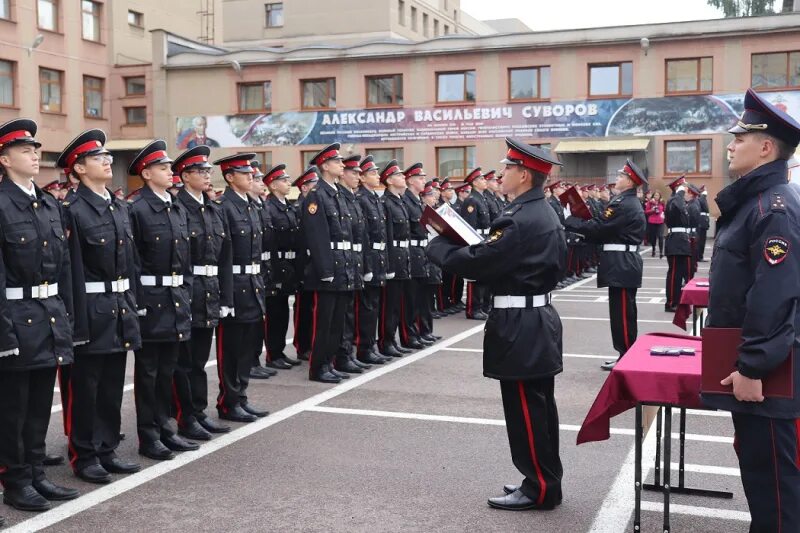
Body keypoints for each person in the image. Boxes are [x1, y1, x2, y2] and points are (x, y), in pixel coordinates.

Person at [427, 138, 566, 511]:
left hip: (520, 323)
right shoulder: (542, 211)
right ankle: (545, 481)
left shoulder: (520, 217)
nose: (501, 174)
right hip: (537, 317)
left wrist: (437, 246)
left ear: (523, 174)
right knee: (539, 407)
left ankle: (538, 487)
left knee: (526, 411)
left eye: (507, 168)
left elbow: (482, 261)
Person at [701, 88, 800, 533]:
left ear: (765, 147)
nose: (730, 144)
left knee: (777, 493)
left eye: (739, 139)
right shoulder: (757, 202)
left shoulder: (773, 207)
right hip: (756, 364)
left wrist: (753, 366)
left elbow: (775, 294)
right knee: (764, 483)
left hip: (768, 375)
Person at [0, 119, 81, 512]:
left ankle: (35, 472)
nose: (35, 154)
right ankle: (15, 480)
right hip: (15, 317)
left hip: (48, 315)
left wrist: (66, 316)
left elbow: (63, 268)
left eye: (36, 149)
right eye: (25, 150)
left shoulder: (49, 204)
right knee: (13, 408)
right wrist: (3, 334)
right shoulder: (1, 204)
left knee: (37, 404)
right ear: (4, 159)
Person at [58, 129, 143, 483]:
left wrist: (134, 305)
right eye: (98, 158)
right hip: (90, 308)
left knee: (110, 385)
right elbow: (70, 270)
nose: (108, 162)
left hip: (119, 306)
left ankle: (106, 448)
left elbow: (131, 262)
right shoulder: (72, 211)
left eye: (108, 157)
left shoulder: (118, 206)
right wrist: (75, 322)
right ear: (78, 169)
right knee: (85, 386)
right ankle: (84, 454)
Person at [128, 140, 198, 460]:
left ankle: (165, 427)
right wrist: (138, 304)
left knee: (168, 369)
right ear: (146, 173)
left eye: (170, 167)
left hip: (175, 297)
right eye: (163, 168)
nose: (171, 172)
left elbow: (184, 258)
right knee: (148, 373)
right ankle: (149, 434)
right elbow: (132, 262)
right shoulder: (137, 208)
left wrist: (186, 291)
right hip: (151, 300)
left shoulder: (175, 205)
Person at [171, 145, 234, 441]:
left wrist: (225, 297)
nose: (208, 176)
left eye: (208, 171)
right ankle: (186, 417)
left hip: (208, 290)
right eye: (201, 171)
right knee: (184, 362)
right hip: (187, 289)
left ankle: (198, 412)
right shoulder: (178, 208)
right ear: (184, 176)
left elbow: (224, 257)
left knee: (198, 359)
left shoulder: (211, 208)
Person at [565, 161, 647, 371]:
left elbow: (600, 227)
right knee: (623, 312)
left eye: (620, 176)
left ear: (629, 181)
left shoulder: (622, 203)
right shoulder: (626, 202)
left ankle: (626, 355)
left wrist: (571, 221)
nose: (617, 179)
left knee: (622, 313)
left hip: (621, 264)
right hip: (623, 264)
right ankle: (624, 353)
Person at [212, 153, 270, 420]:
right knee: (232, 348)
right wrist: (225, 295)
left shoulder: (251, 205)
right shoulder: (223, 207)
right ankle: (229, 401)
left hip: (253, 283)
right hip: (234, 285)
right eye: (244, 173)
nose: (251, 176)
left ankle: (241, 396)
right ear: (230, 177)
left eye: (251, 173)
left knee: (248, 347)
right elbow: (222, 255)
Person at [301, 143, 357, 383]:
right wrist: (325, 270)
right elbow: (316, 236)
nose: (342, 165)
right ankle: (318, 367)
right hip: (328, 269)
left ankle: (329, 362)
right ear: (324, 165)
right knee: (323, 323)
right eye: (337, 162)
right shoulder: (317, 195)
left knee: (337, 321)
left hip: (342, 265)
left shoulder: (337, 194)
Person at [263, 164, 303, 369]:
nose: (289, 183)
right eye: (284, 181)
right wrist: (275, 270)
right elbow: (269, 241)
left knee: (283, 312)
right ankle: (273, 353)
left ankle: (279, 352)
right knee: (274, 312)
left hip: (289, 264)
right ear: (273, 185)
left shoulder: (287, 206)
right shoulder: (268, 207)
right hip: (276, 264)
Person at [334, 155, 371, 374]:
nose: (358, 176)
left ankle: (347, 354)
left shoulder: (353, 199)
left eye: (359, 173)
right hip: (344, 261)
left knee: (349, 312)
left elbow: (361, 236)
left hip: (354, 260)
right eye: (354, 172)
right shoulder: (341, 198)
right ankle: (342, 355)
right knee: (343, 313)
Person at [355, 156, 391, 365]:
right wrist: (367, 265)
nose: (377, 176)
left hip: (379, 257)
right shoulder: (361, 199)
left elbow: (383, 235)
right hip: (370, 258)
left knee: (375, 305)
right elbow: (365, 236)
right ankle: (363, 347)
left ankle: (371, 345)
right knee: (367, 308)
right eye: (373, 173)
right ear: (362, 177)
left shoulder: (374, 199)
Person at [378, 160, 414, 359]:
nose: (404, 178)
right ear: (390, 180)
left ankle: (392, 340)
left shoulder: (400, 201)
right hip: (394, 258)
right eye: (399, 175)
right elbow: (388, 237)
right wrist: (389, 263)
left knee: (398, 303)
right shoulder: (386, 203)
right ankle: (385, 341)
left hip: (403, 257)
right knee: (389, 305)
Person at [401, 163, 435, 348]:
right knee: (411, 300)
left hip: (421, 253)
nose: (424, 181)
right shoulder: (406, 201)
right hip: (411, 254)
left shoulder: (417, 202)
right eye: (420, 178)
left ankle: (421, 331)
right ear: (411, 181)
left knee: (421, 297)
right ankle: (410, 335)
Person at [291, 166, 319, 362]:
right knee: (303, 308)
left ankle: (311, 343)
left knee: (313, 307)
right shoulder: (300, 207)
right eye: (313, 185)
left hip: (313, 262)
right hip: (303, 264)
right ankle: (302, 346)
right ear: (304, 188)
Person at [460, 168, 491, 320]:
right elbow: (470, 225)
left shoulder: (481, 198)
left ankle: (483, 306)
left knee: (484, 276)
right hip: (476, 240)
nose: (485, 181)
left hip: (484, 238)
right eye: (482, 179)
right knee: (475, 277)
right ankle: (473, 309)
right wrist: (473, 245)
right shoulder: (472, 200)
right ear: (475, 182)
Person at [663, 175, 692, 312]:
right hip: (675, 240)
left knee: (679, 273)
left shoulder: (679, 200)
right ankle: (670, 302)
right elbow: (678, 207)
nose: (686, 190)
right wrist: (679, 192)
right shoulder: (674, 200)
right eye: (684, 187)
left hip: (681, 240)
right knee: (674, 273)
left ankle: (677, 299)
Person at [644, 190, 665, 258]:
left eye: (658, 195)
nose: (657, 197)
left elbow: (665, 210)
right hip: (652, 221)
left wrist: (664, 216)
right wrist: (652, 210)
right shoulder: (650, 203)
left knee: (661, 236)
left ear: (660, 196)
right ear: (653, 196)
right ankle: (653, 249)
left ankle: (661, 252)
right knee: (653, 237)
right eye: (655, 195)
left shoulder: (662, 203)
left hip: (660, 222)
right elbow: (646, 212)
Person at [696, 185, 710, 262]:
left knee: (702, 241)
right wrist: (703, 194)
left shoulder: (703, 199)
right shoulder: (701, 198)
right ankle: (699, 256)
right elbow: (702, 202)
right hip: (701, 223)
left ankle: (700, 256)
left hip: (703, 223)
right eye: (705, 190)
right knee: (700, 241)